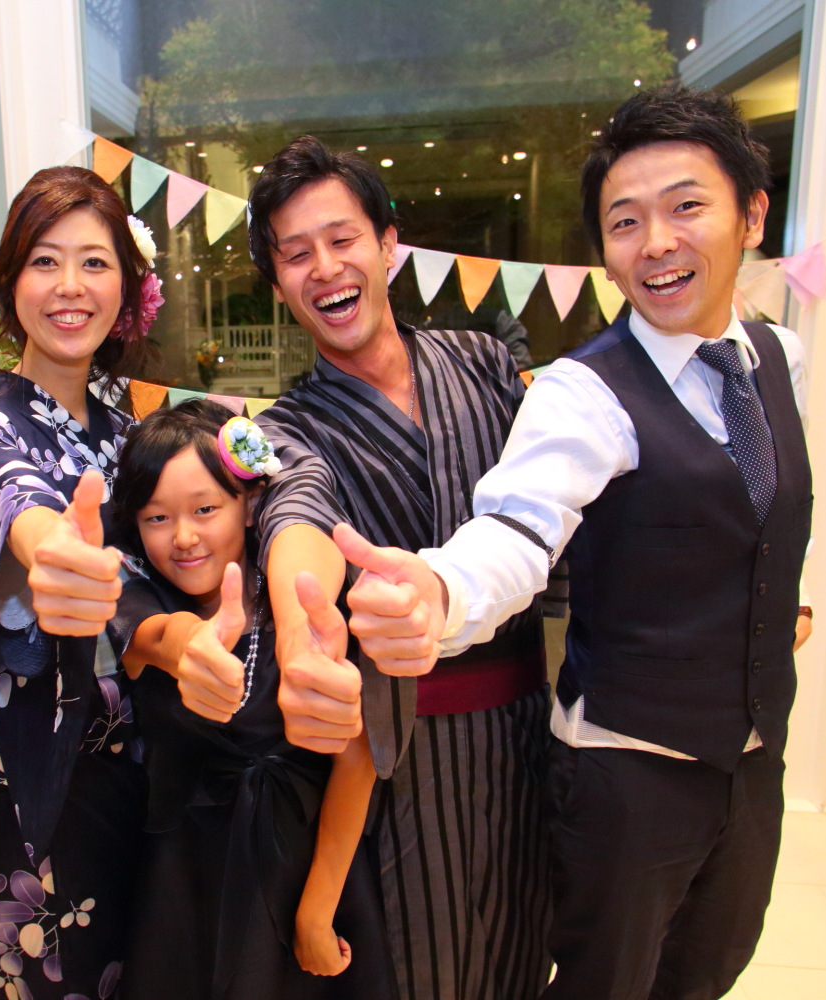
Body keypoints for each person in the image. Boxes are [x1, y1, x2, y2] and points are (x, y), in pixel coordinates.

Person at [340, 85, 814, 1000]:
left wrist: (779, 603)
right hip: (626, 771)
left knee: (710, 969)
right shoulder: (583, 392)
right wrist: (438, 591)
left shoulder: (780, 361)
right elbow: (516, 529)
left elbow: (764, 513)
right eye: (625, 222)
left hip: (755, 760)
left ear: (752, 215)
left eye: (686, 207)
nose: (656, 243)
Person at [242, 135, 553, 999]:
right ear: (278, 286)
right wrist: (302, 642)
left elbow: (559, 510)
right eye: (295, 255)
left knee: (528, 958)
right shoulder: (285, 431)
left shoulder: (486, 365)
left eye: (342, 239)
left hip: (529, 734)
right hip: (404, 760)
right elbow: (295, 514)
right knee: (425, 971)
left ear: (388, 245)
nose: (324, 268)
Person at [0, 165, 161, 1000]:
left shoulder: (127, 428)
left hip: (159, 769)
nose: (70, 286)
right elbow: (11, 495)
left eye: (95, 263)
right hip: (56, 783)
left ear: (125, 287)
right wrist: (55, 550)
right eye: (45, 261)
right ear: (10, 281)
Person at [106, 401, 394, 999]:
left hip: (309, 870)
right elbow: (158, 640)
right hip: (184, 883)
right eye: (157, 517)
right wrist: (190, 645)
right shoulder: (139, 601)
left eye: (205, 509)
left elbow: (357, 761)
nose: (184, 537)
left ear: (249, 502)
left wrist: (317, 911)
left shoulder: (306, 607)